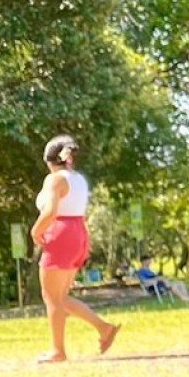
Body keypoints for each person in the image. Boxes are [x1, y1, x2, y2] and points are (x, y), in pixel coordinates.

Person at [30, 134, 120, 363]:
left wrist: (36, 231)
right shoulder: (78, 178)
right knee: (60, 297)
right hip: (78, 231)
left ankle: (58, 351)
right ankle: (104, 328)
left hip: (60, 232)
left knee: (51, 297)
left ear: (49, 160)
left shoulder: (55, 180)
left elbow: (50, 211)